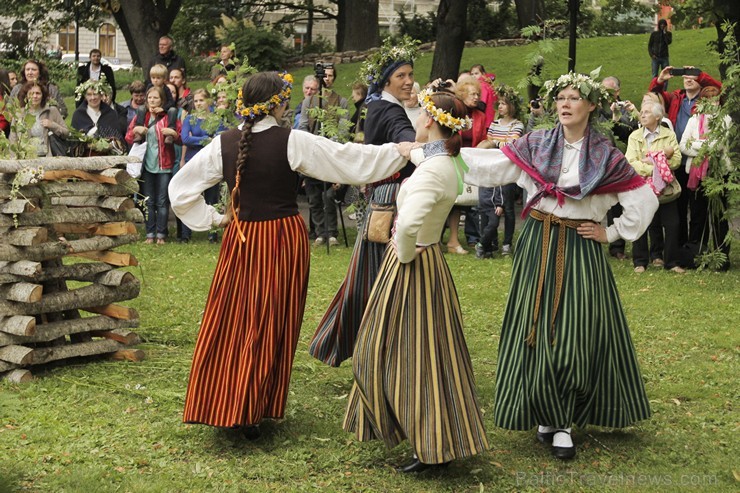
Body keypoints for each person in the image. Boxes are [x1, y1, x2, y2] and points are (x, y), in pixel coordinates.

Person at [169, 71, 408, 437]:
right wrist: (398, 152)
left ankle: (225, 402)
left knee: (231, 318)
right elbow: (347, 159)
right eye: (286, 98)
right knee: (270, 323)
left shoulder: (224, 143)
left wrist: (216, 220)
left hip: (242, 239)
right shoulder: (292, 140)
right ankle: (251, 408)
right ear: (278, 103)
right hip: (281, 241)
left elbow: (179, 190)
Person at [438, 72, 657, 460]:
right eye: (561, 98)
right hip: (538, 243)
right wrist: (442, 152)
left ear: (591, 105)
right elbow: (491, 167)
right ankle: (548, 416)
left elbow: (644, 199)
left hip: (580, 247)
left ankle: (564, 420)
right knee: (534, 329)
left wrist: (612, 233)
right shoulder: (536, 144)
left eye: (575, 97)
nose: (566, 104)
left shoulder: (605, 155)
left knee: (574, 334)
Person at [344, 88, 489, 473]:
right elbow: (429, 158)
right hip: (429, 262)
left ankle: (430, 445)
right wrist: (412, 152)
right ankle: (434, 439)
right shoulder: (447, 161)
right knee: (428, 352)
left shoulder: (434, 171)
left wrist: (403, 253)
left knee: (401, 353)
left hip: (412, 262)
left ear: (428, 121)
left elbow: (408, 223)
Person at [308, 36, 418, 368]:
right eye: (401, 76)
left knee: (371, 274)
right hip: (389, 200)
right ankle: (370, 342)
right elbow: (404, 137)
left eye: (411, 74)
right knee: (377, 275)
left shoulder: (380, 105)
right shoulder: (388, 110)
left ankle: (369, 341)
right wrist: (420, 142)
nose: (409, 81)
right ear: (386, 80)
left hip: (383, 198)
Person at [649, 65, 721, 245]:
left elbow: (720, 88)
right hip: (677, 159)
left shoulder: (707, 100)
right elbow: (653, 98)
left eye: (692, 76)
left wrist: (701, 76)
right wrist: (660, 80)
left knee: (698, 208)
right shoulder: (676, 97)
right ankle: (681, 247)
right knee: (679, 207)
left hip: (699, 163)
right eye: (685, 76)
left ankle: (696, 246)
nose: (688, 79)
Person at [625, 100, 683, 273]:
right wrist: (657, 167)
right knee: (641, 222)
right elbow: (631, 162)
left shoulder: (668, 134)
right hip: (641, 187)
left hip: (666, 188)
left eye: (647, 112)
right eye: (641, 112)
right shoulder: (635, 136)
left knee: (673, 224)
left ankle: (671, 262)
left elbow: (677, 159)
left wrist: (654, 165)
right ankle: (640, 262)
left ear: (658, 116)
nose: (642, 114)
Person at [679, 85, 732, 270]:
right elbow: (683, 145)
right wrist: (704, 145)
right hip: (696, 176)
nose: (712, 103)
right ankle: (697, 256)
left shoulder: (724, 119)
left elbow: (716, 146)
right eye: (708, 100)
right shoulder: (694, 120)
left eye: (715, 100)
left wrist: (697, 144)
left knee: (718, 216)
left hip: (718, 175)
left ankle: (721, 259)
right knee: (697, 216)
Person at [298, 63, 348, 247]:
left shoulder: (340, 101)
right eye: (323, 75)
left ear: (333, 78)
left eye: (329, 75)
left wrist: (329, 143)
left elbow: (343, 130)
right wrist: (312, 143)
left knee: (329, 196)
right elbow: (302, 125)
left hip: (331, 153)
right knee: (314, 196)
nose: (326, 78)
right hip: (312, 152)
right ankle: (319, 232)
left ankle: (332, 232)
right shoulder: (308, 102)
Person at [125, 86, 181, 244]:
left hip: (164, 165)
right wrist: (135, 131)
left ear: (162, 100)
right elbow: (129, 137)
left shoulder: (167, 117)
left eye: (156, 98)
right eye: (150, 98)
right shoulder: (142, 116)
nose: (152, 101)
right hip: (146, 166)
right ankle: (150, 233)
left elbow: (181, 138)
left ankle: (161, 235)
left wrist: (174, 135)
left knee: (162, 202)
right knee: (148, 201)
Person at [476, 85, 524, 259]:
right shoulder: (495, 123)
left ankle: (507, 243)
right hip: (492, 167)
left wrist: (494, 143)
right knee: (489, 205)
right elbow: (489, 140)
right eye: (500, 104)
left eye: (504, 104)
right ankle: (491, 242)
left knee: (508, 207)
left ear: (511, 106)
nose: (500, 107)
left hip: (507, 168)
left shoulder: (517, 124)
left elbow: (511, 145)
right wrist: (498, 142)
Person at [601, 75, 638, 260]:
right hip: (601, 163)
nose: (605, 94)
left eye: (609, 91)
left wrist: (614, 115)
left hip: (623, 163)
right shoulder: (595, 108)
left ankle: (624, 245)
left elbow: (629, 131)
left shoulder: (625, 108)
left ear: (617, 92)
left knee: (623, 205)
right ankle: (610, 246)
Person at [10, 81, 69, 157]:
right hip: (26, 160)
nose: (35, 96)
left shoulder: (52, 111)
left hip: (48, 159)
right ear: (26, 96)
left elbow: (66, 133)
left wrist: (52, 125)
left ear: (43, 95)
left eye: (38, 93)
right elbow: (13, 140)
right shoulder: (19, 115)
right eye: (31, 93)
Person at [71, 77, 125, 153]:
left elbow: (119, 140)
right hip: (85, 160)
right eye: (89, 94)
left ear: (101, 95)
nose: (93, 98)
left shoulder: (111, 114)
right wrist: (87, 145)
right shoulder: (78, 115)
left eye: (95, 94)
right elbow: (73, 143)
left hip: (108, 159)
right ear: (85, 96)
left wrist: (109, 145)